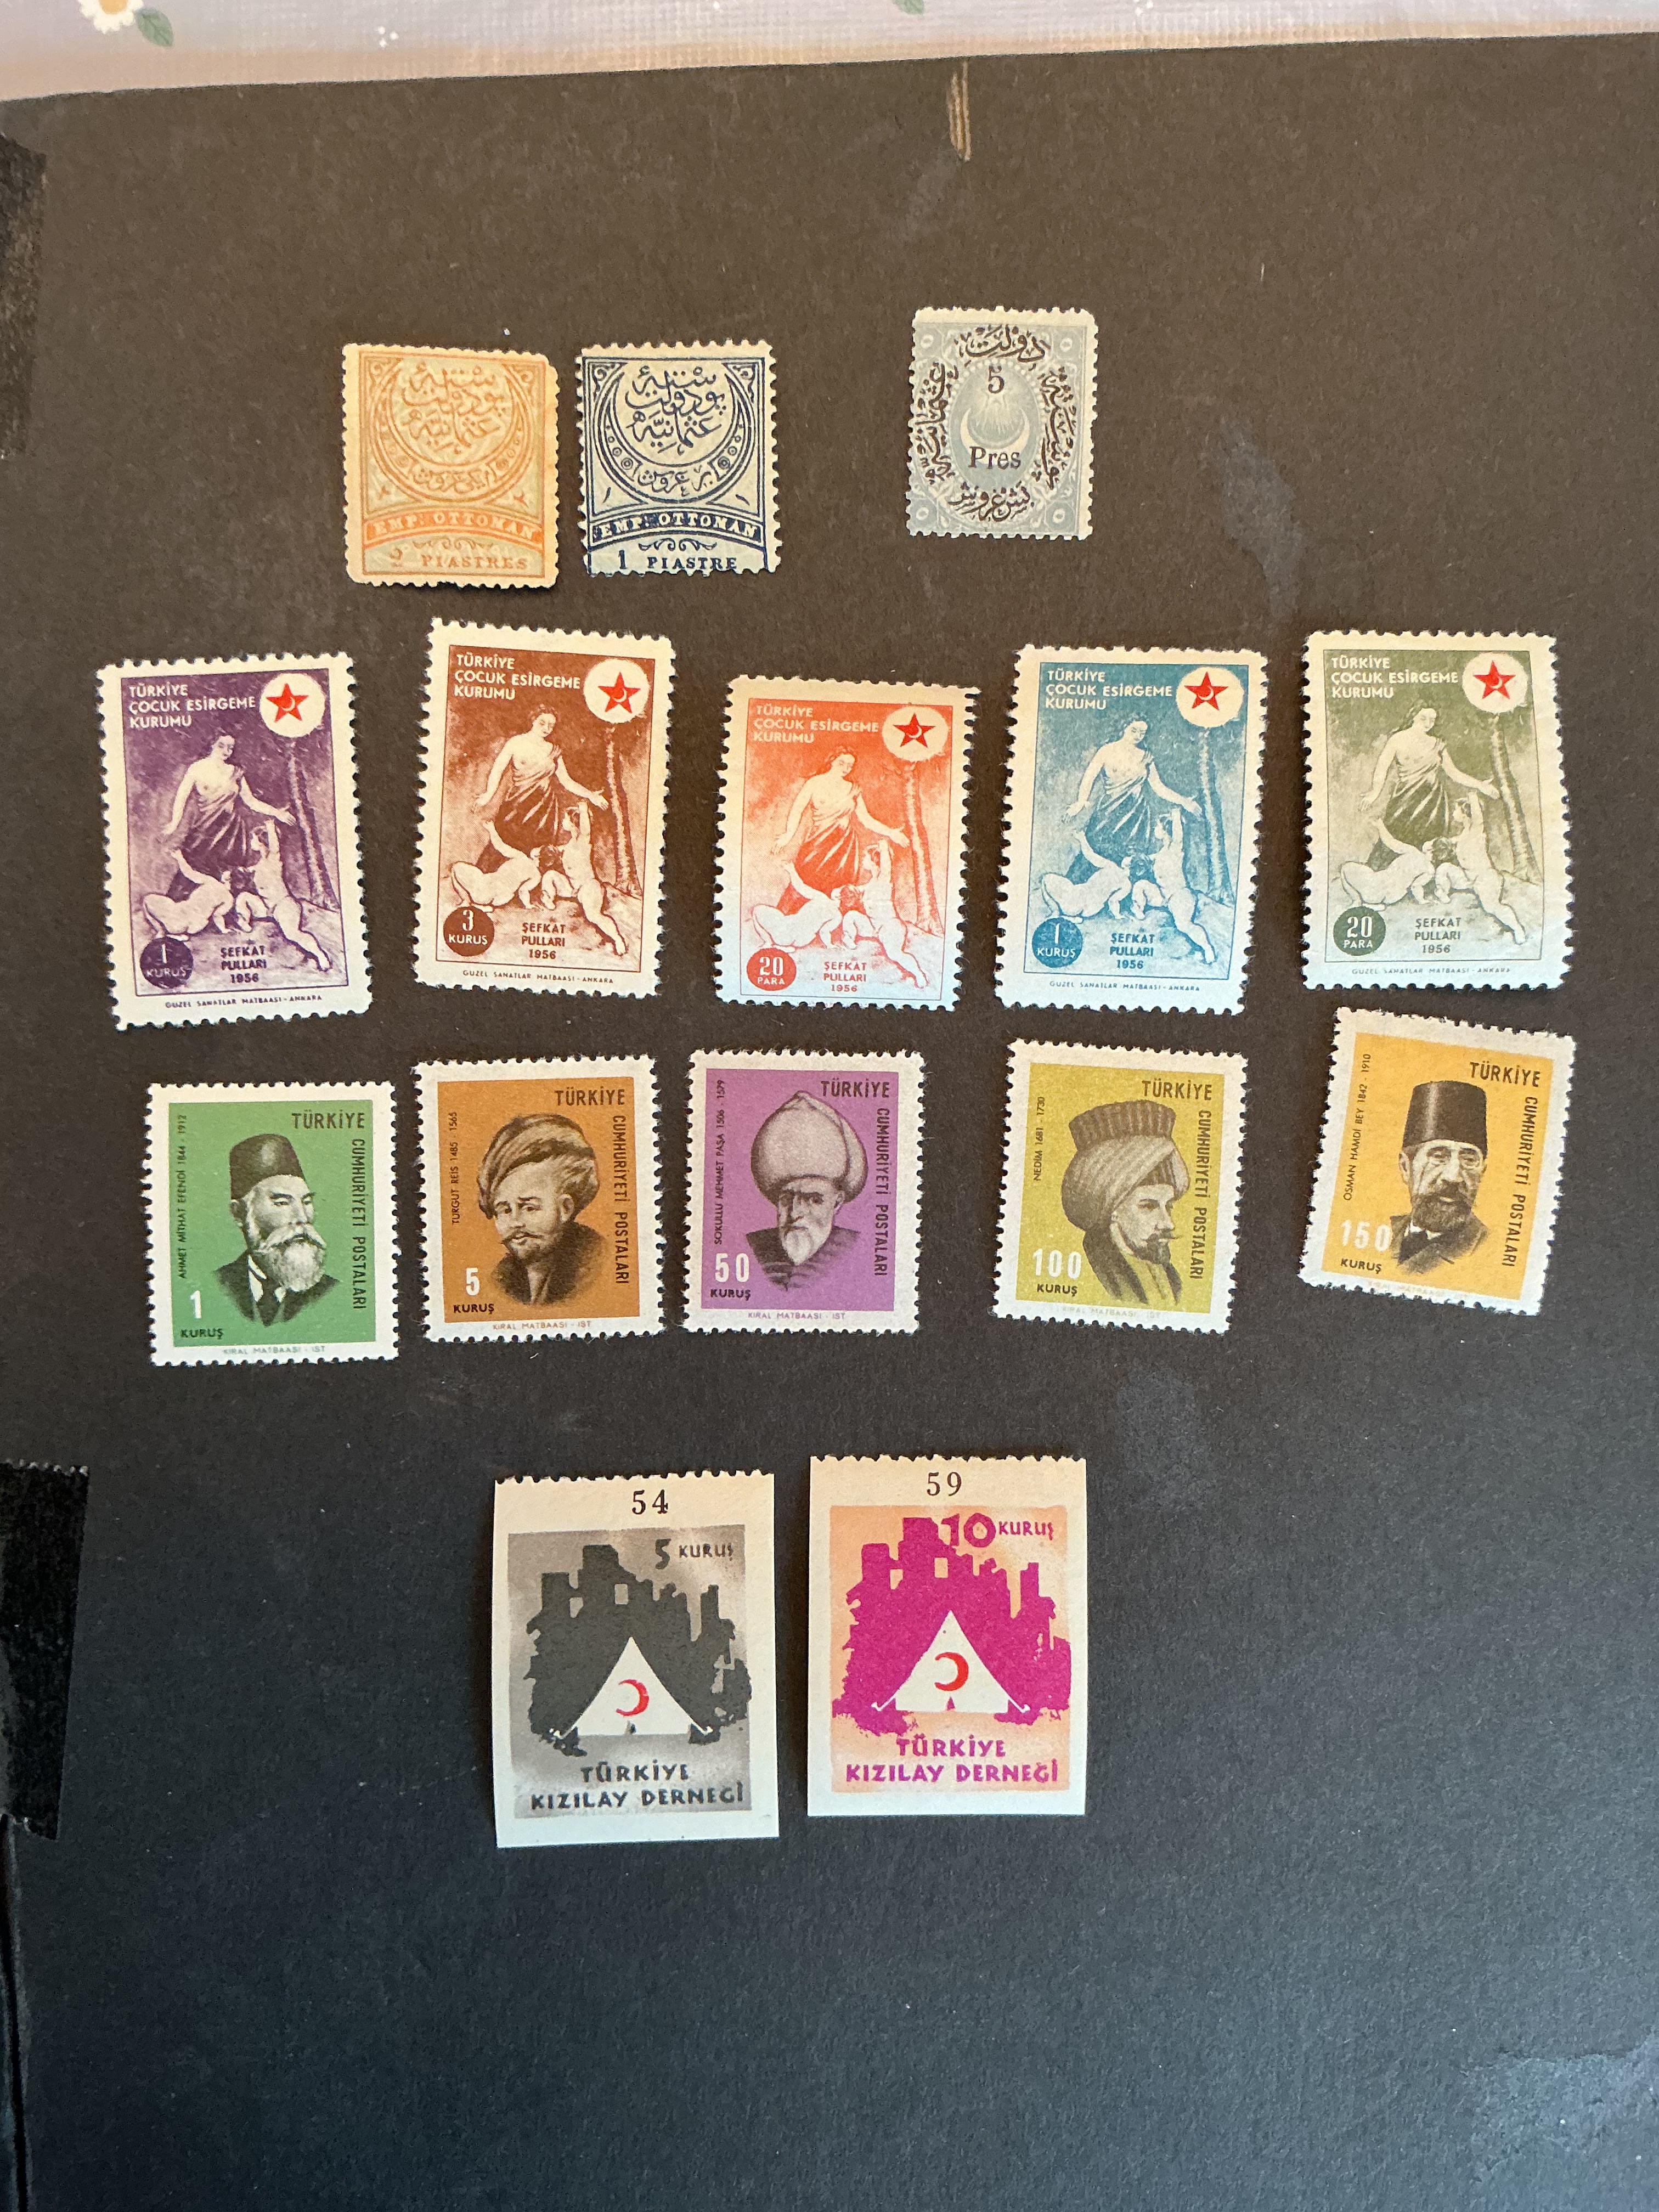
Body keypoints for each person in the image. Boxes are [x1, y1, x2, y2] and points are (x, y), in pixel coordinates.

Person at [1059, 1098, 1189, 1308]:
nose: (1168, 1223)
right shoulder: (1094, 1275)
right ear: (1111, 1209)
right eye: (1148, 1206)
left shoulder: (1169, 1277)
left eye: (1169, 1207)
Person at [470, 710, 608, 889]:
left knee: (539, 851)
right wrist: (488, 795)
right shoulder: (516, 743)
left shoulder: (554, 750)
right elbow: (498, 770)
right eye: (542, 723)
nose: (547, 728)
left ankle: (533, 891)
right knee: (504, 842)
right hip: (517, 805)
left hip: (545, 809)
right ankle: (485, 888)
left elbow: (566, 781)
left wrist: (591, 795)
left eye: (551, 725)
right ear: (533, 720)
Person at [477, 1114, 603, 1306]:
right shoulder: (502, 1281)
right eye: (505, 1210)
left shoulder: (596, 1266)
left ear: (565, 1208)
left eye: (529, 1208)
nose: (515, 1222)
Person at [746, 1092, 867, 1293]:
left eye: (814, 1200)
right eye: (787, 1199)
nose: (795, 1213)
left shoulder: (855, 1248)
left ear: (837, 1203)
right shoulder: (755, 1248)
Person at [768, 751, 907, 917]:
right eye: (842, 763)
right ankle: (786, 923)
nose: (846, 768)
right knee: (805, 882)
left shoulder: (853, 789)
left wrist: (890, 832)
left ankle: (836, 928)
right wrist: (788, 835)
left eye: (850, 765)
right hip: (818, 843)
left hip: (845, 848)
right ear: (832, 760)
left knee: (840, 891)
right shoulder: (815, 783)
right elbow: (797, 810)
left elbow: (866, 819)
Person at [216, 1133, 336, 1326]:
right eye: (282, 1203)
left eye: (306, 1202)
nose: (302, 1218)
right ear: (239, 1213)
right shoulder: (218, 1285)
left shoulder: (332, 1293)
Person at [1357, 705, 1498, 869]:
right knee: (1394, 840)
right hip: (1405, 801)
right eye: (1423, 718)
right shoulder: (1398, 739)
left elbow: (1454, 773)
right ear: (1413, 716)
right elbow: (1382, 768)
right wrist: (1374, 793)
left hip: (1434, 804)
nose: (1428, 723)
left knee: (1432, 848)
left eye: (1432, 720)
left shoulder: (1437, 744)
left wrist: (1481, 786)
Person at [1062, 719, 1199, 885]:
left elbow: (1158, 786)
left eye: (1142, 733)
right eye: (1134, 730)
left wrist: (1184, 801)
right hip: (1109, 813)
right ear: (1124, 727)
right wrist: (1080, 802)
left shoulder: (1146, 756)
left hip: (1137, 818)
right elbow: (1090, 776)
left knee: (1133, 863)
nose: (1138, 736)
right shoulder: (1107, 751)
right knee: (1094, 851)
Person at [161, 730, 294, 900]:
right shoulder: (197, 769)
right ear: (212, 745)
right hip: (204, 831)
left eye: (230, 748)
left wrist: (277, 813)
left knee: (230, 879)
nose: (226, 751)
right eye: (221, 746)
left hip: (232, 834)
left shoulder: (235, 772)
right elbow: (182, 797)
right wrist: (175, 822)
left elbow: (250, 801)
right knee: (193, 871)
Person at [1389, 1081, 1488, 1274]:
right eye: (1438, 1157)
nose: (1453, 1177)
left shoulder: (1486, 1248)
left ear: (1481, 1172)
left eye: (1469, 1160)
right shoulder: (1387, 1230)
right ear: (1406, 1167)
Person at [540, 799, 628, 956]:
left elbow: (586, 830)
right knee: (550, 876)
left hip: (589, 887)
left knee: (593, 915)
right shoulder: (570, 844)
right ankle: (548, 898)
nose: (563, 821)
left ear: (573, 824)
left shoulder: (582, 841)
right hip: (572, 888)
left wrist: (583, 810)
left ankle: (617, 939)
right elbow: (556, 851)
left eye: (566, 819)